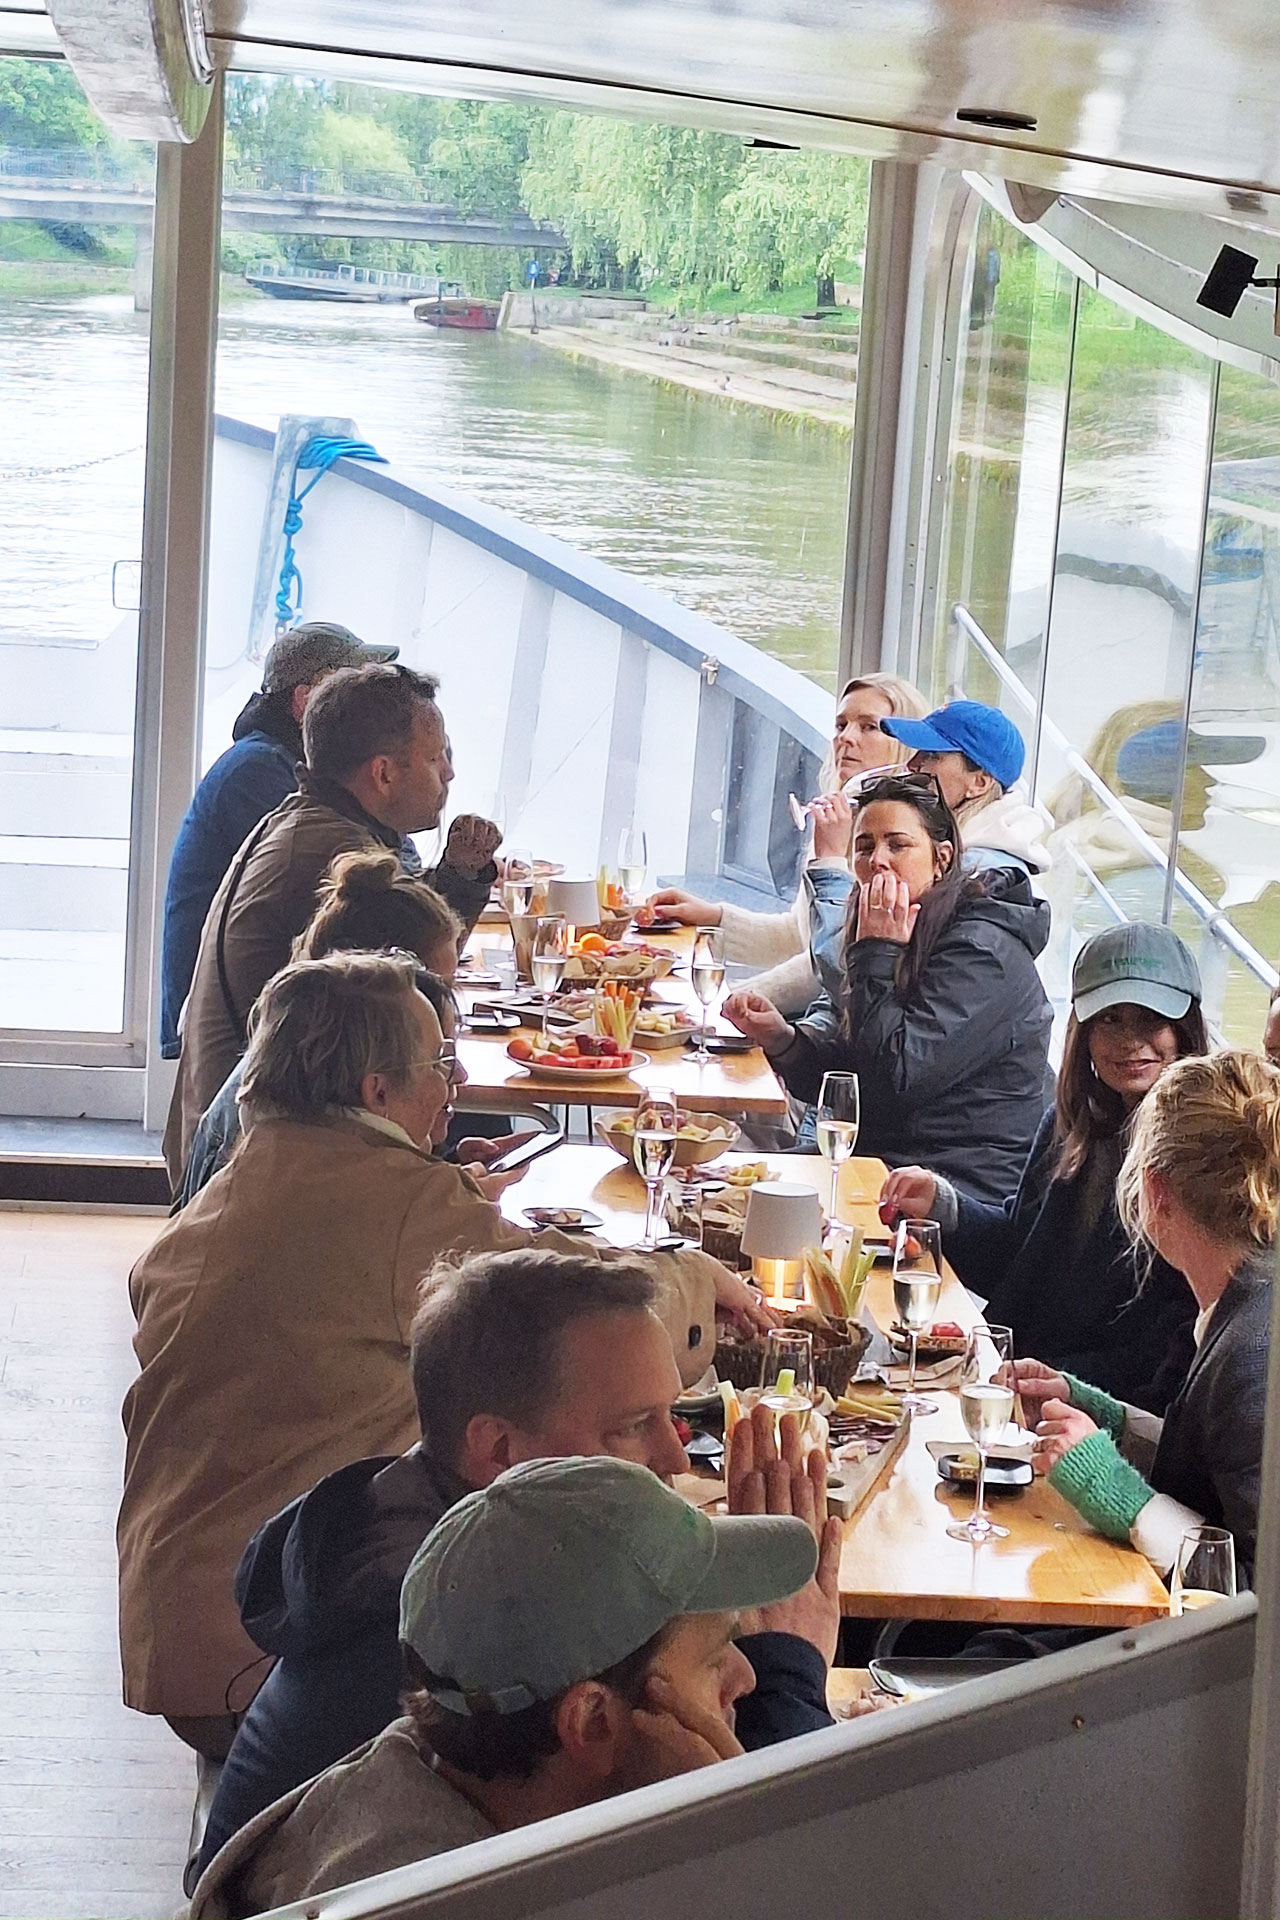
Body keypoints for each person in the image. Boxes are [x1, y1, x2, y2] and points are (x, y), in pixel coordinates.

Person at [120, 953, 759, 1756]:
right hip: (265, 1654)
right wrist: (699, 1281)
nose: (453, 1086)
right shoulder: (391, 1204)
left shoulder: (250, 1176)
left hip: (183, 1624)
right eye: (437, 1064)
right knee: (630, 1669)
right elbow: (567, 1313)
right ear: (375, 1091)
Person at [197, 1255, 840, 1874]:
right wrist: (784, 1694)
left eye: (671, 1417)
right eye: (633, 1425)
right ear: (500, 1450)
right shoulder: (452, 1642)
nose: (677, 1459)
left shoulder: (431, 1561)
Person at [188, 1455, 818, 1919]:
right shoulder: (447, 1898)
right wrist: (745, 1843)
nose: (747, 1676)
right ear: (592, 1722)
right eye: (714, 1660)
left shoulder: (421, 1769)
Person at [163, 662, 501, 1184]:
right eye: (435, 759)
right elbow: (404, 1014)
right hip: (252, 1165)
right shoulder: (338, 861)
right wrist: (445, 1179)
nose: (449, 775)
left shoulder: (301, 819)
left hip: (227, 1135)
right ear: (383, 773)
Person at [880, 923, 1208, 1408]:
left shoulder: (1199, 1161)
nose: (1130, 1041)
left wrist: (1052, 1381)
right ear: (1084, 1031)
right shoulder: (1069, 1124)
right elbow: (1017, 1257)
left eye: (1151, 1019)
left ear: (1184, 1031)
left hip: (1093, 1413)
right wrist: (944, 1205)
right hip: (1006, 1377)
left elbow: (1169, 1349)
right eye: (1110, 1020)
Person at [1010, 1049, 1279, 1587]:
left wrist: (1117, 1491)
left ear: (1155, 1192)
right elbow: (1211, 1471)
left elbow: (1259, 1596)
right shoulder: (1242, 1300)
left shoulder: (1256, 1352)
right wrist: (1104, 1418)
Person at [724, 773, 1052, 1202]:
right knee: (720, 1191)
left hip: (956, 1186)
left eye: (897, 845)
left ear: (942, 858)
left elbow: (894, 1076)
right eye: (864, 847)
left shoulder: (981, 947)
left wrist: (876, 953)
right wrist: (784, 1041)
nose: (877, 860)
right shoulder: (900, 926)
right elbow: (856, 1069)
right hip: (884, 1156)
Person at [173, 848, 464, 1207]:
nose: (444, 1006)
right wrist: (451, 1196)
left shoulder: (296, 1066)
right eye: (438, 988)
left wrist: (447, 1165)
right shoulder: (302, 1124)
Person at [160, 622, 399, 1059]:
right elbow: (358, 873)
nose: (376, 712)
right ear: (305, 701)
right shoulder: (262, 770)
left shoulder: (291, 762)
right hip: (236, 1024)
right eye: (357, 692)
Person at [637, 674, 927, 1014]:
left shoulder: (897, 841)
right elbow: (798, 935)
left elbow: (830, 964)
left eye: (869, 727)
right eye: (841, 725)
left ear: (905, 744)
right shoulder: (840, 813)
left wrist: (719, 1006)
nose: (846, 738)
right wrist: (711, 918)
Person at [879, 697, 1050, 878]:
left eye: (931, 755)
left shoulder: (980, 873)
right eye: (917, 752)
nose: (911, 764)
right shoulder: (963, 853)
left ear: (979, 783)